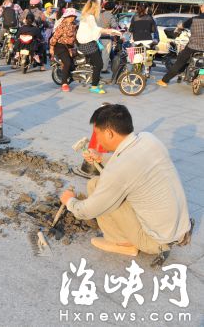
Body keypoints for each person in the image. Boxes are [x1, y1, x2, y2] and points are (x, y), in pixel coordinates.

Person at [60, 104, 193, 263]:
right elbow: (134, 163)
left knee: (98, 189)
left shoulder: (117, 171)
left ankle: (122, 242)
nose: (97, 139)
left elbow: (86, 211)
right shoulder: (148, 138)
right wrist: (102, 158)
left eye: (98, 133)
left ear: (109, 133)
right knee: (97, 183)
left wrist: (69, 200)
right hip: (180, 226)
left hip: (156, 241)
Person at [76, 0, 120, 94]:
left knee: (95, 63)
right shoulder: (90, 17)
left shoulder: (85, 16)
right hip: (88, 44)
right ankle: (94, 86)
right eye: (98, 7)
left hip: (85, 43)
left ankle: (94, 80)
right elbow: (96, 29)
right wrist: (111, 31)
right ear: (95, 7)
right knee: (99, 64)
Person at [157, 3, 204, 87]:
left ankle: (164, 80)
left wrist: (178, 28)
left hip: (193, 46)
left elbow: (181, 26)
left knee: (180, 62)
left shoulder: (194, 19)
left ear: (202, 8)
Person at [49, 8, 78, 92]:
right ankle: (64, 83)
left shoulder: (74, 25)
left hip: (70, 47)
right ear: (66, 16)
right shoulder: (62, 25)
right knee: (67, 62)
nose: (72, 18)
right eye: (70, 16)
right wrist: (51, 48)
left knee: (74, 64)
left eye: (73, 16)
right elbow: (54, 38)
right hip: (60, 46)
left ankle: (70, 77)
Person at [20, 0, 48, 69]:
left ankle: (15, 60)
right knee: (42, 44)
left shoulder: (25, 11)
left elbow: (20, 19)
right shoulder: (40, 12)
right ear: (39, 4)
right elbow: (45, 22)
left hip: (24, 31)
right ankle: (42, 65)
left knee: (18, 41)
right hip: (35, 32)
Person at [97, 1, 118, 73]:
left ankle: (96, 66)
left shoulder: (99, 14)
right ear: (112, 8)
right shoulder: (111, 16)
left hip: (96, 36)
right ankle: (103, 69)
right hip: (106, 36)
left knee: (97, 53)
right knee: (105, 53)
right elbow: (114, 26)